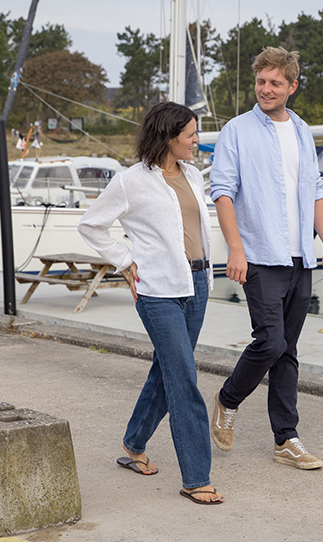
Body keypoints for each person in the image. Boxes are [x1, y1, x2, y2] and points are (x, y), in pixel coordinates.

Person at [78, 101, 223, 505]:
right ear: (169, 136)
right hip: (157, 291)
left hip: (197, 283)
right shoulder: (130, 182)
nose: (197, 140)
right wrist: (125, 262)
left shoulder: (193, 175)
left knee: (167, 371)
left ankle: (133, 442)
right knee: (185, 379)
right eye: (191, 134)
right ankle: (196, 478)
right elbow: (90, 224)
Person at [209, 46, 323, 470]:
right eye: (261, 81)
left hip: (300, 256)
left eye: (275, 83)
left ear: (292, 87)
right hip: (259, 255)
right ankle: (228, 399)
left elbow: (314, 192)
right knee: (271, 341)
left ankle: (286, 439)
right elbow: (223, 192)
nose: (266, 89)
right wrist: (236, 248)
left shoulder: (302, 130)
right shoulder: (236, 131)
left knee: (288, 351)